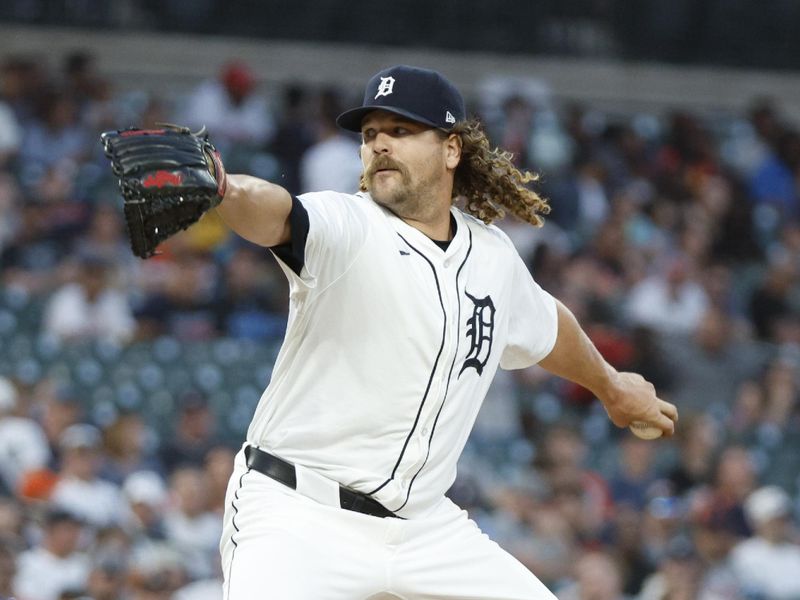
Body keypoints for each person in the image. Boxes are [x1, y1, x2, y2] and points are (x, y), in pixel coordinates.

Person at [210, 65, 678, 599]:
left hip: (424, 531)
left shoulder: (492, 256)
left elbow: (548, 327)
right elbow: (278, 213)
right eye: (369, 135)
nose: (380, 143)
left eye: (401, 131)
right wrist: (225, 188)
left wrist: (611, 387)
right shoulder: (349, 225)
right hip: (298, 514)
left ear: (451, 149)